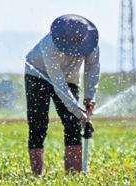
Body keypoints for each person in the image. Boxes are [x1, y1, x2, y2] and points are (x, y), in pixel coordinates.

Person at [25, 14, 100, 176]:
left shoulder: (92, 44)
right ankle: (38, 176)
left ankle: (74, 175)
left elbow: (92, 70)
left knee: (73, 124)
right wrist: (79, 112)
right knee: (38, 124)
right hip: (38, 74)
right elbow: (58, 85)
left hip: (70, 78)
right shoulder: (49, 46)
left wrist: (90, 97)